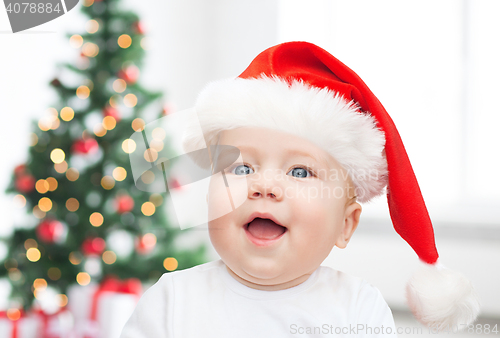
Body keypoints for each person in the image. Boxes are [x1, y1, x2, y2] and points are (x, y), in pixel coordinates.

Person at [120, 41, 479, 338]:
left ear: (346, 225)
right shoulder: (172, 301)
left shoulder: (357, 308)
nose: (264, 186)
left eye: (300, 171)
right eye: (243, 167)